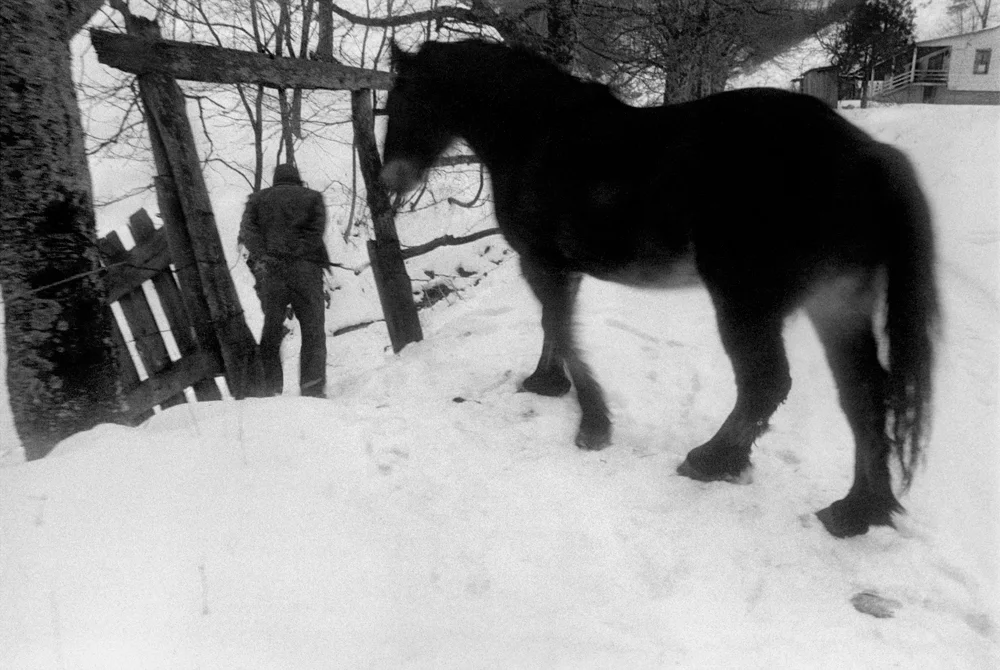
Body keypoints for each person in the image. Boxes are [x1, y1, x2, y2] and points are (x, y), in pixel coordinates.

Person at [238, 164, 330, 398]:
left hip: (272, 273)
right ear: (297, 179)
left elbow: (248, 233)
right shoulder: (312, 198)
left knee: (271, 330)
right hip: (306, 272)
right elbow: (315, 233)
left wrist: (266, 257)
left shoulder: (257, 200)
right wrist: (298, 252)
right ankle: (313, 389)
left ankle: (271, 389)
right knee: (313, 331)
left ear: (276, 180)